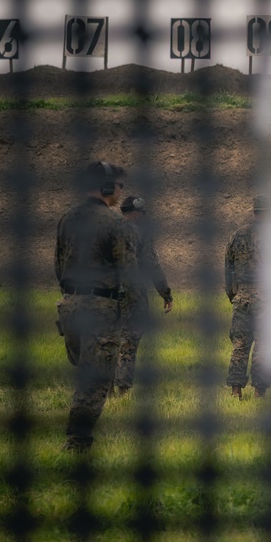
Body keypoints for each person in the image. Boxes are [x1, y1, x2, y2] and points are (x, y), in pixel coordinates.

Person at [54, 161, 137, 452]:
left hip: (69, 305)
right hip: (99, 308)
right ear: (106, 187)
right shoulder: (115, 223)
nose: (121, 190)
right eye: (118, 185)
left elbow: (58, 264)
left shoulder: (67, 218)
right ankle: (77, 442)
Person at [224, 195, 271, 400]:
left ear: (254, 212)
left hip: (242, 298)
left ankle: (236, 390)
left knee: (239, 345)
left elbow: (227, 270)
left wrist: (233, 295)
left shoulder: (236, 236)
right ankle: (259, 392)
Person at [115, 195, 173, 395]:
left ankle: (106, 388)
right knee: (129, 340)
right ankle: (122, 388)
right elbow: (152, 266)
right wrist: (165, 293)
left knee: (107, 340)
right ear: (135, 213)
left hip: (105, 294)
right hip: (132, 295)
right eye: (142, 213)